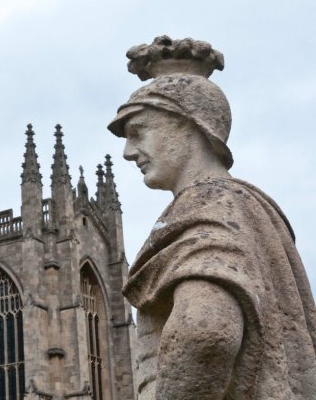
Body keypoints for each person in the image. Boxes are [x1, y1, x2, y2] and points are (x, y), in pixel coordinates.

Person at [107, 36, 316, 399]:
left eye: (138, 132)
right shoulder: (252, 206)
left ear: (188, 125)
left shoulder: (208, 205)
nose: (128, 152)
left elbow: (205, 332)